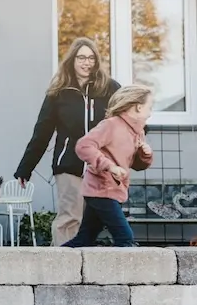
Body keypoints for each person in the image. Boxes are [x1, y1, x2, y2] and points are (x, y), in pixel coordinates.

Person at [13, 37, 120, 246]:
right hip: (69, 164)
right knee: (70, 217)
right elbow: (42, 132)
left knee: (94, 221)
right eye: (81, 57)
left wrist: (140, 132)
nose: (86, 62)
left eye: (91, 58)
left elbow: (127, 114)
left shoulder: (109, 88)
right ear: (72, 60)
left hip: (101, 165)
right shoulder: (59, 92)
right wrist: (25, 168)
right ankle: (62, 268)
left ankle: (80, 269)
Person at [61, 84, 155, 248]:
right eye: (150, 107)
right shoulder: (111, 125)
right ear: (139, 107)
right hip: (101, 189)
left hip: (115, 190)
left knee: (84, 240)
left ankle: (53, 265)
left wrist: (145, 154)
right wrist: (109, 166)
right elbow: (84, 146)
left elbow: (138, 165)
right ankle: (129, 273)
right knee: (125, 239)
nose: (150, 113)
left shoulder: (138, 132)